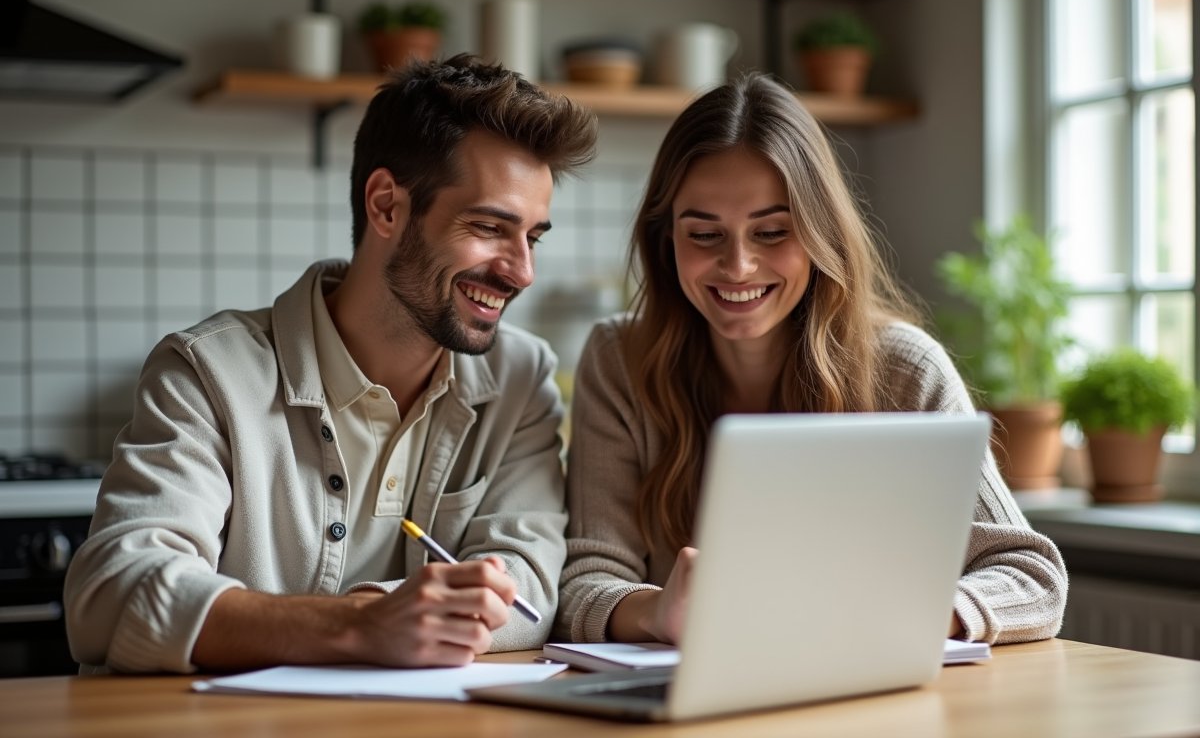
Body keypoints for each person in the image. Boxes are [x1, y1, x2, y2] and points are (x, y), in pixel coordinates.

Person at [64, 55, 597, 673]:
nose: (521, 272)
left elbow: (528, 587)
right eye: (488, 226)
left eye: (532, 237)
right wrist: (361, 625)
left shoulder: (520, 378)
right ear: (387, 207)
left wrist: (390, 614)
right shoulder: (207, 373)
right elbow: (112, 595)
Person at [556, 73, 1067, 647]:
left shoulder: (904, 371)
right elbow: (582, 583)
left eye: (772, 232)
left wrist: (915, 614)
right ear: (665, 238)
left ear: (821, 232)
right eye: (704, 235)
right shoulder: (620, 360)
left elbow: (1033, 577)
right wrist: (655, 611)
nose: (739, 266)